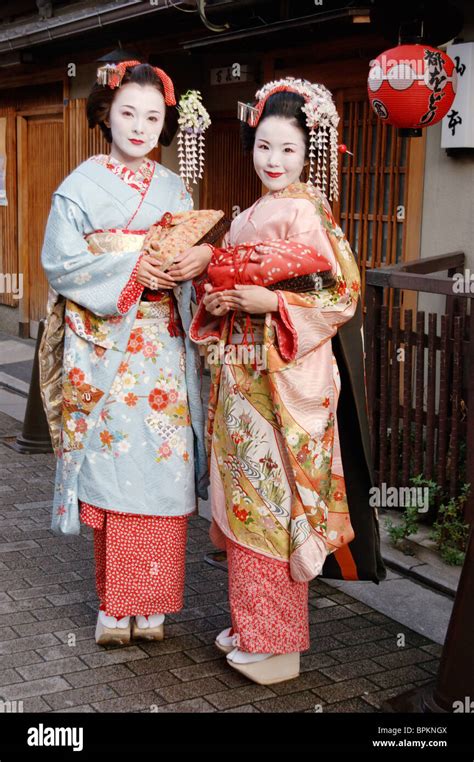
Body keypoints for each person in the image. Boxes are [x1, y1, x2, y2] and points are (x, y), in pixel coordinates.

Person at [190, 77, 384, 685]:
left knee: (274, 506)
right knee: (243, 500)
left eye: (288, 150)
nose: (273, 162)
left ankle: (279, 645)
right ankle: (253, 627)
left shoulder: (309, 211)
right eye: (264, 147)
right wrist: (218, 300)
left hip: (284, 378)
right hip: (242, 378)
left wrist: (269, 304)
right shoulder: (246, 215)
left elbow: (343, 293)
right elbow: (218, 285)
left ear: (309, 153)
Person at [39, 61, 214, 646]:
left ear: (165, 124)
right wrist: (134, 265)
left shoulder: (174, 189)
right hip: (106, 344)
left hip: (162, 345)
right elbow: (62, 263)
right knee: (114, 464)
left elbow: (191, 263)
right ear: (105, 115)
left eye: (153, 116)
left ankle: (155, 606)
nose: (140, 126)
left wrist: (198, 263)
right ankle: (116, 607)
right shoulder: (81, 186)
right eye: (128, 112)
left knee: (162, 467)